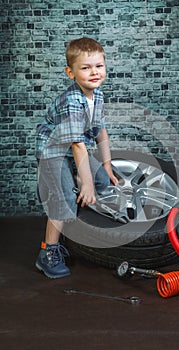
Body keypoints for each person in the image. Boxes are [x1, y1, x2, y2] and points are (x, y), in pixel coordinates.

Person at [35, 37, 118, 278]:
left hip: (73, 150)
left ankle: (72, 195)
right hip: (54, 153)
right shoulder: (72, 101)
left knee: (103, 182)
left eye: (99, 66)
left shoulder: (97, 95)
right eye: (85, 67)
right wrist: (87, 184)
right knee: (63, 203)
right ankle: (47, 252)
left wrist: (106, 166)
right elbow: (78, 146)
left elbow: (101, 131)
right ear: (70, 73)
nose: (94, 72)